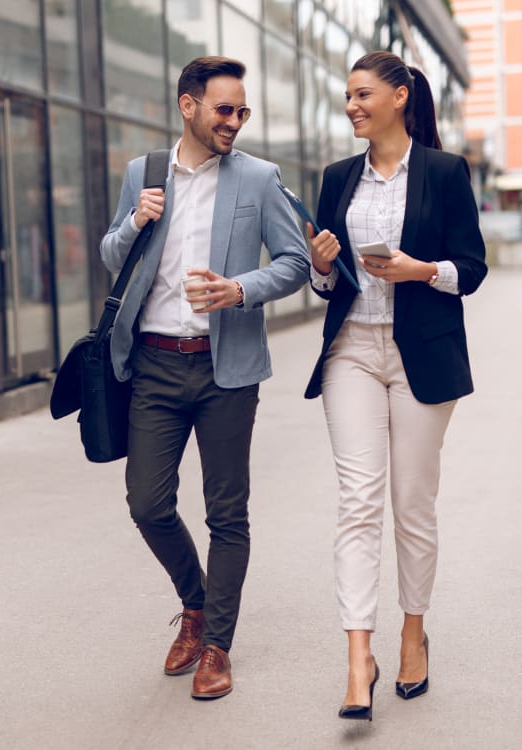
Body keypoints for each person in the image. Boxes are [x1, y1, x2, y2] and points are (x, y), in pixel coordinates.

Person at [100, 56, 309, 700]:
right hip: (155, 365)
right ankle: (194, 603)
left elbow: (296, 261)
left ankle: (216, 643)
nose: (235, 121)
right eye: (225, 109)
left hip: (226, 370)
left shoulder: (259, 178)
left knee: (227, 512)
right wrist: (135, 221)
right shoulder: (145, 173)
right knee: (147, 503)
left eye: (242, 111)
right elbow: (113, 256)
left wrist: (239, 289)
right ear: (188, 106)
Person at [304, 51, 487, 721]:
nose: (352, 105)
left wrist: (419, 270)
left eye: (362, 94)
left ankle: (413, 633)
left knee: (412, 502)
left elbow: (471, 269)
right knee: (358, 501)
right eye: (347, 96)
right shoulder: (336, 178)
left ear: (400, 95)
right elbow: (326, 285)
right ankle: (359, 658)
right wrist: (322, 267)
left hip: (421, 358)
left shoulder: (443, 172)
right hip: (351, 349)